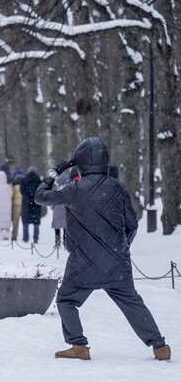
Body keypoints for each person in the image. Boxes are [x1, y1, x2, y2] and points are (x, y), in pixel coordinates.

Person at [35, 137, 170, 361]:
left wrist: (54, 173)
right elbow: (132, 224)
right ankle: (159, 346)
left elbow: (40, 197)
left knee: (66, 300)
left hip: (83, 263)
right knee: (132, 302)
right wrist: (120, 247)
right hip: (117, 263)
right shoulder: (117, 187)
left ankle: (78, 345)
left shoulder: (73, 189)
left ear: (80, 163)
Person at [20, 166, 42, 243]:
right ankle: (36, 238)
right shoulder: (39, 180)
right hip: (36, 203)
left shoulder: (24, 179)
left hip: (26, 203)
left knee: (25, 221)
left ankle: (25, 237)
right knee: (36, 221)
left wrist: (27, 196)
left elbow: (22, 191)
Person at [10, 169, 24, 241]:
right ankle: (17, 235)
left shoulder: (13, 182)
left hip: (15, 203)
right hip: (23, 203)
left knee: (15, 220)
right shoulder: (24, 181)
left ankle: (14, 235)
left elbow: (11, 194)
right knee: (20, 220)